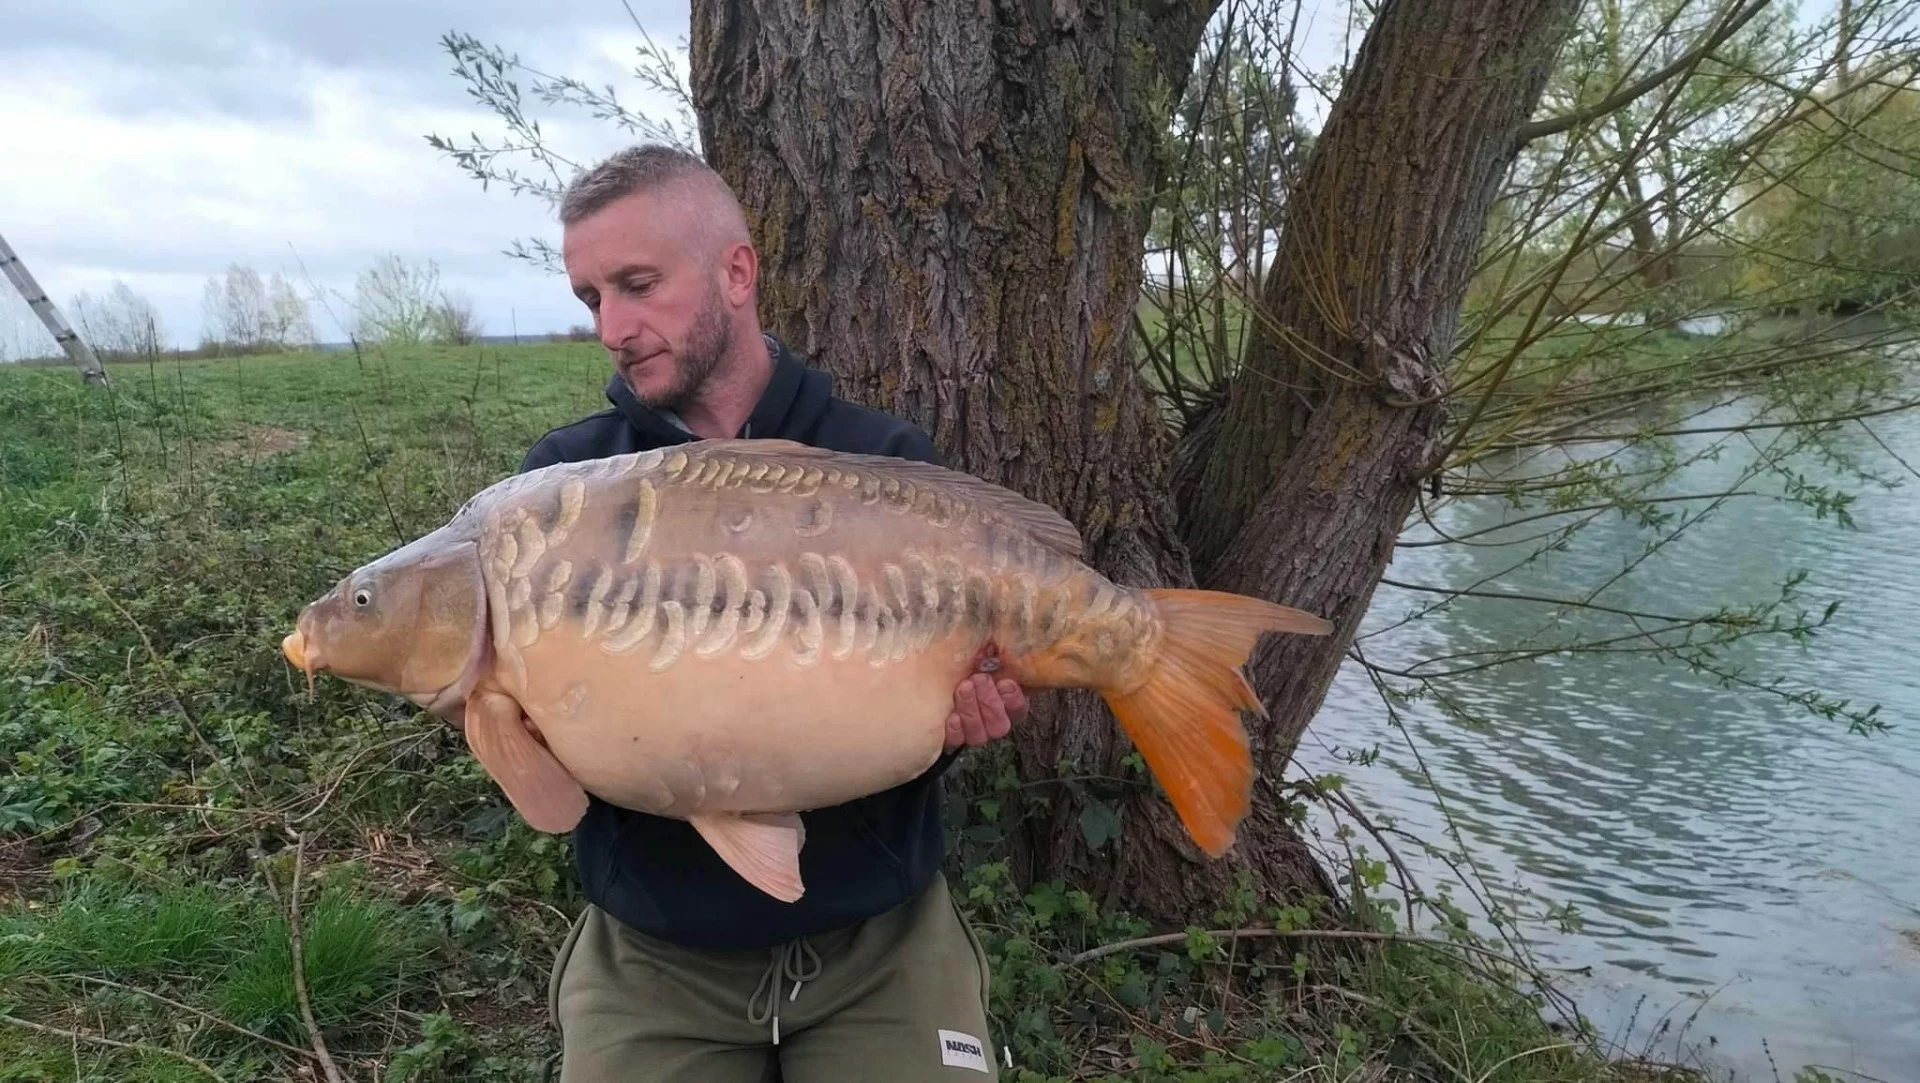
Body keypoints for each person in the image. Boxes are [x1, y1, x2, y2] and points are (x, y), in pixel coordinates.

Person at [519, 143, 1026, 1081]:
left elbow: (915, 693)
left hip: (879, 936)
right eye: (592, 298)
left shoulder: (878, 455)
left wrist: (962, 717)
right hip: (655, 951)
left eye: (637, 284)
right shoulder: (561, 490)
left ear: (737, 272)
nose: (612, 328)